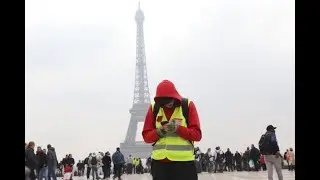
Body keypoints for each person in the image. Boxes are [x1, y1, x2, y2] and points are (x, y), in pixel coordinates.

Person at [142, 79, 202, 180]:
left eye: (169, 100)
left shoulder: (187, 105)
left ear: (175, 96)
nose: (167, 104)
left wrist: (177, 128)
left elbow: (197, 135)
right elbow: (147, 137)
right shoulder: (154, 108)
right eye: (163, 102)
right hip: (160, 165)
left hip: (184, 164)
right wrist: (163, 130)